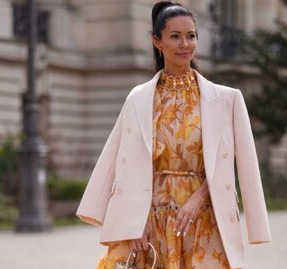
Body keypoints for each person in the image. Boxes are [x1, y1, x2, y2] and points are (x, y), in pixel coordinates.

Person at [76, 1, 272, 269]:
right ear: (157, 41)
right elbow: (120, 162)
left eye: (191, 36)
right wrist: (130, 224)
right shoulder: (139, 98)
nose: (185, 44)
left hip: (205, 219)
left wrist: (200, 199)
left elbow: (241, 166)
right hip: (150, 223)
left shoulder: (227, 100)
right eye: (175, 36)